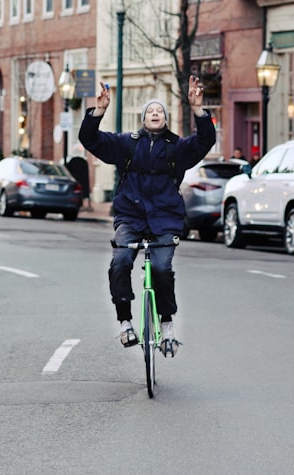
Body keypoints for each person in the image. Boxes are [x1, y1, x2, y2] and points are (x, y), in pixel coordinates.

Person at [79, 75, 216, 354]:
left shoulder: (178, 147)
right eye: (150, 111)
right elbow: (89, 139)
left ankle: (167, 325)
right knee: (120, 262)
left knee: (162, 269)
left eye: (160, 112)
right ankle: (126, 323)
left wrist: (198, 110)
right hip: (130, 216)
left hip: (165, 218)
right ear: (143, 119)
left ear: (165, 119)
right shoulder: (126, 144)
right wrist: (99, 112)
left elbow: (205, 141)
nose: (155, 114)